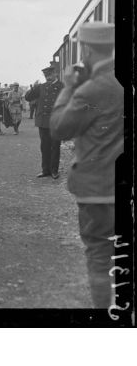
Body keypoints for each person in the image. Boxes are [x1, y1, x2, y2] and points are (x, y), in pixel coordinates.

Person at [50, 22, 122, 309]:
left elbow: (58, 128)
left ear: (88, 49)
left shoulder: (90, 89)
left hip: (98, 190)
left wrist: (68, 88)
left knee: (99, 255)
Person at [25, 66, 64, 179]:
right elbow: (28, 97)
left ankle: (54, 171)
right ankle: (45, 170)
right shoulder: (41, 87)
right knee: (44, 146)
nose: (48, 77)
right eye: (46, 76)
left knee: (55, 146)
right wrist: (33, 88)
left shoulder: (62, 87)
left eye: (50, 75)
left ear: (56, 74)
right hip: (43, 121)